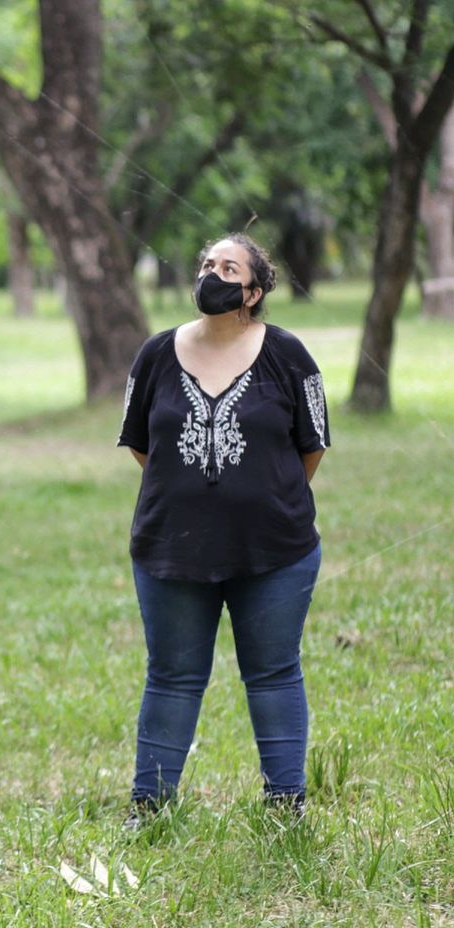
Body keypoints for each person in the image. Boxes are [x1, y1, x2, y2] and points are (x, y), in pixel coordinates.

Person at [117, 233, 329, 828]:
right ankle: (150, 809)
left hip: (276, 550)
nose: (211, 272)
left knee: (274, 671)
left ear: (253, 290)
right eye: (206, 262)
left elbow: (311, 447)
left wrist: (260, 495)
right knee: (173, 675)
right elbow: (141, 445)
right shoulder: (155, 354)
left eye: (228, 266)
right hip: (170, 547)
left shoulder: (290, 356)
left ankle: (286, 806)